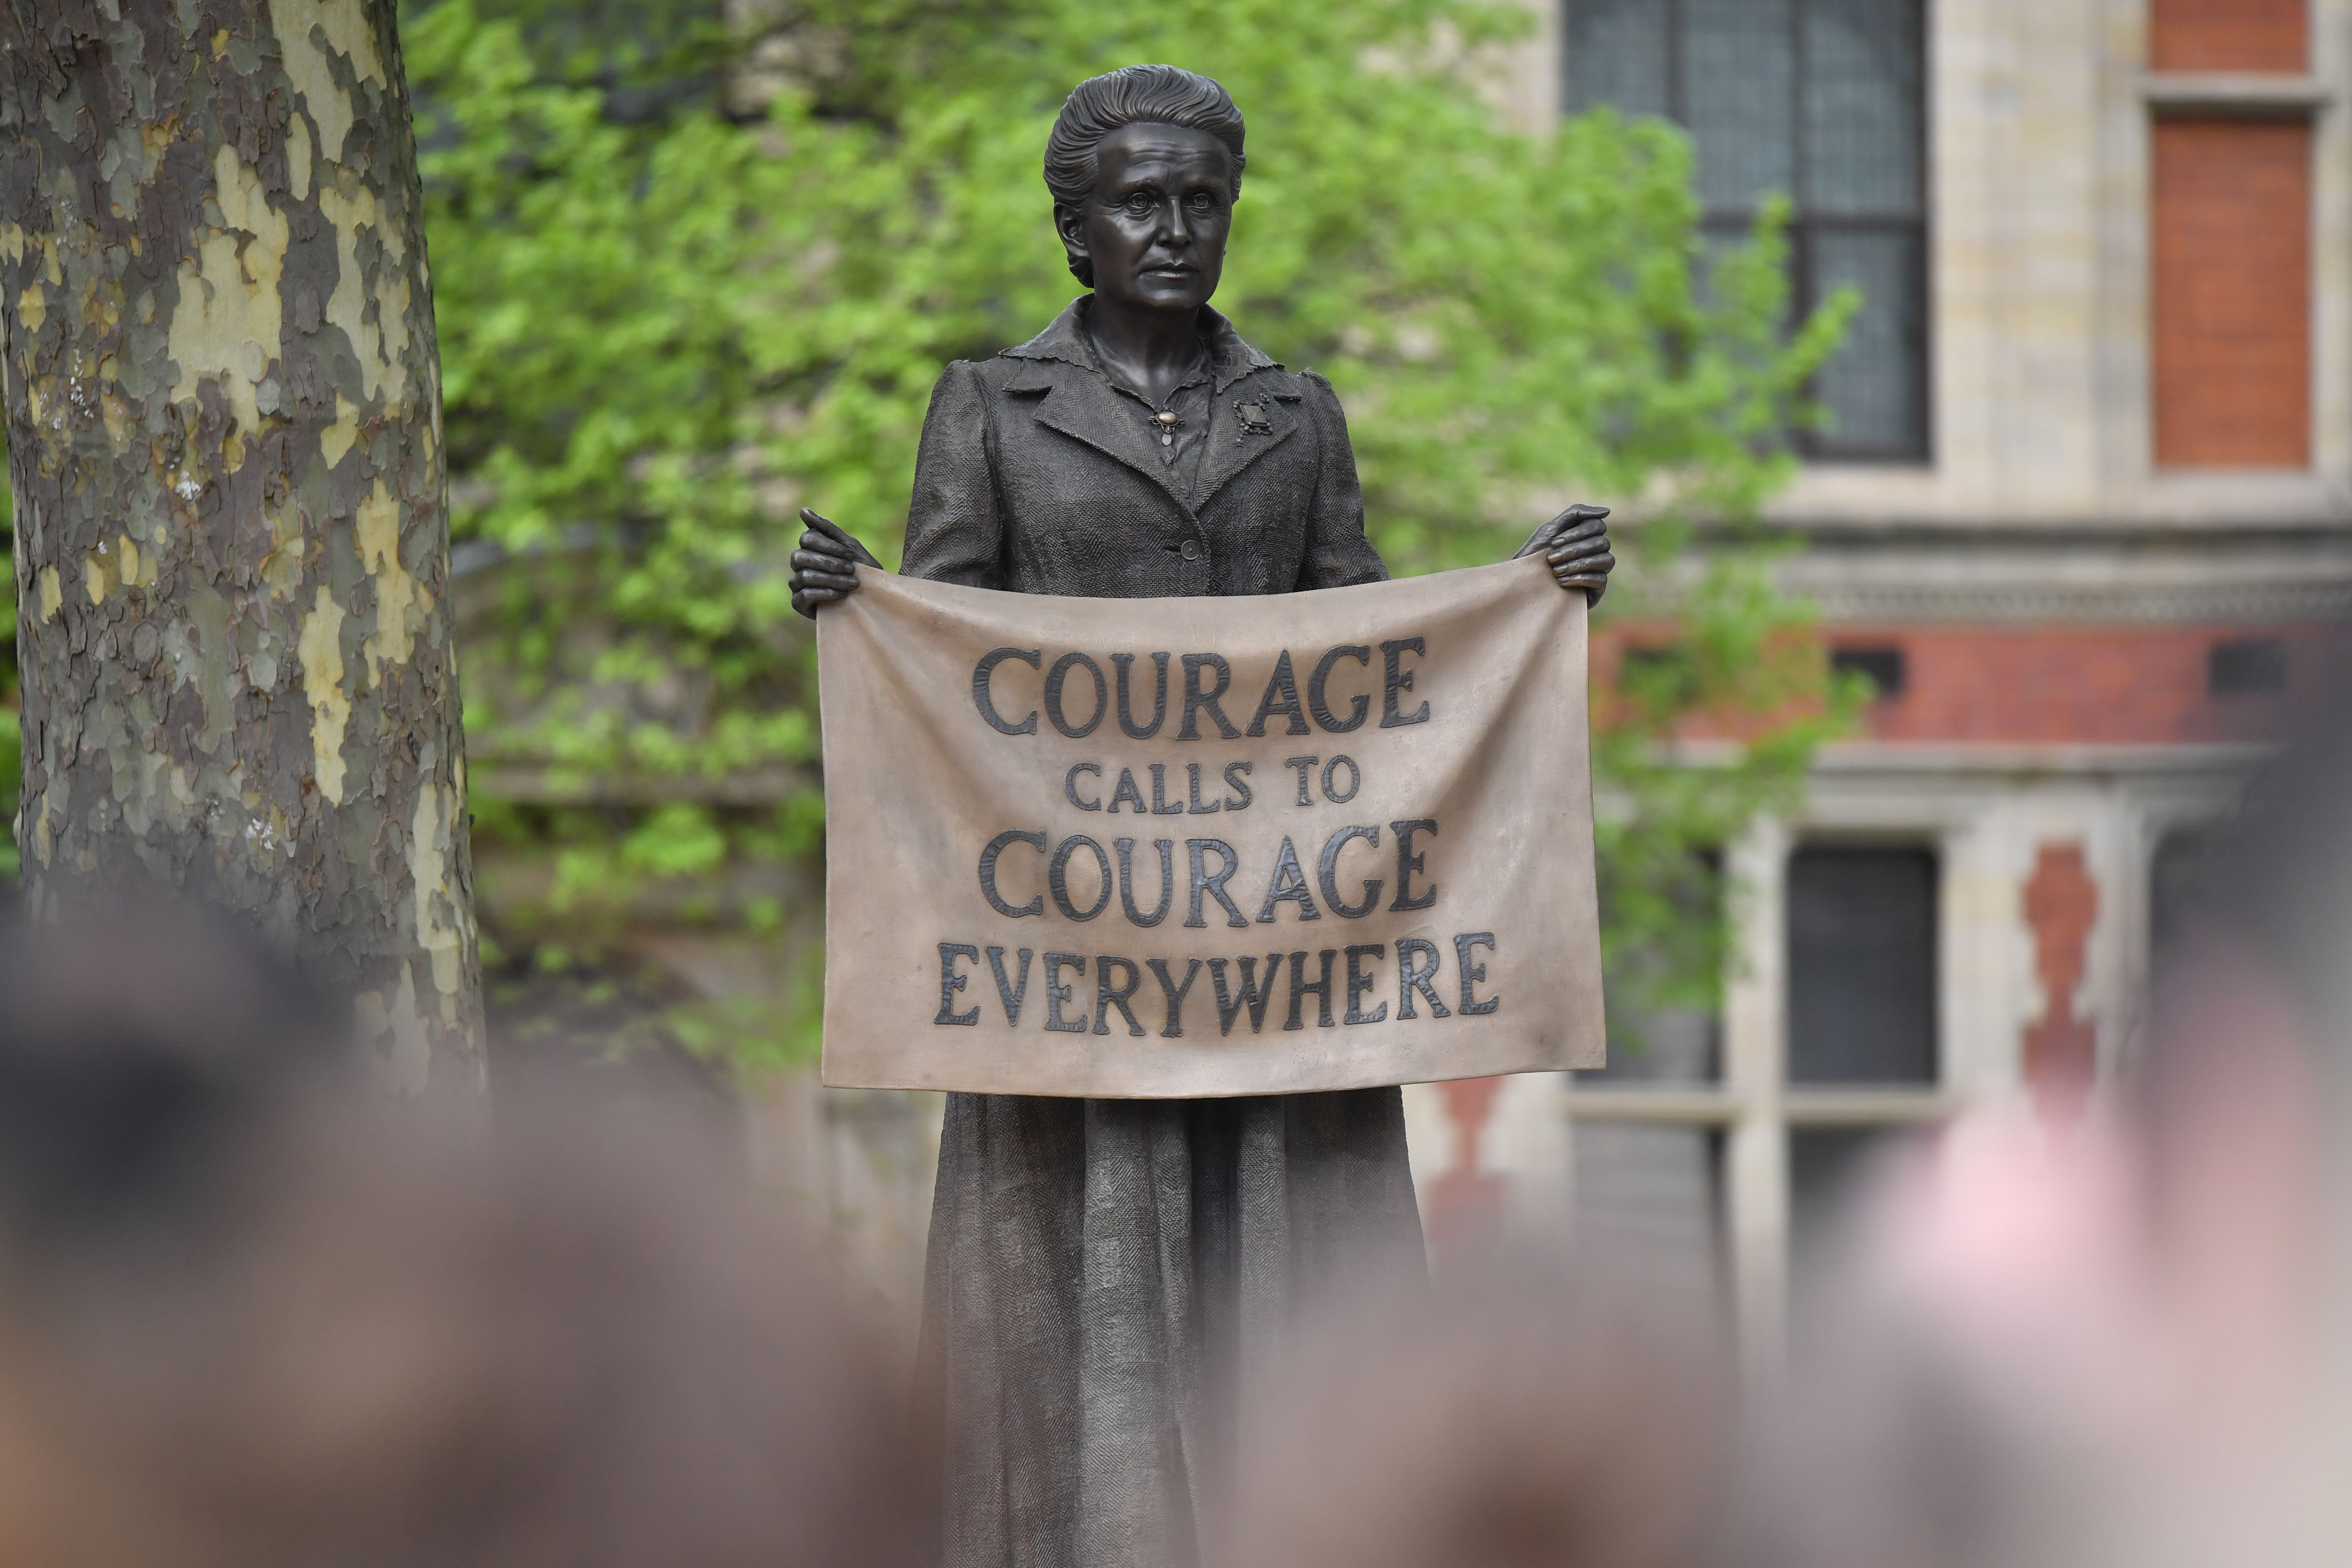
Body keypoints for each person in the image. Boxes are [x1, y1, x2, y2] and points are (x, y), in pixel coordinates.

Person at [789, 63, 1615, 1568]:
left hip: (1279, 965)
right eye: (1139, 201)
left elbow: (1373, 667)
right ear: (1077, 230)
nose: (1173, 227)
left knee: (1289, 1272)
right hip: (1073, 960)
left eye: (1200, 201)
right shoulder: (987, 407)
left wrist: (1526, 598)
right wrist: (867, 614)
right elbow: (949, 661)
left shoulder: (1300, 416)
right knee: (1067, 1300)